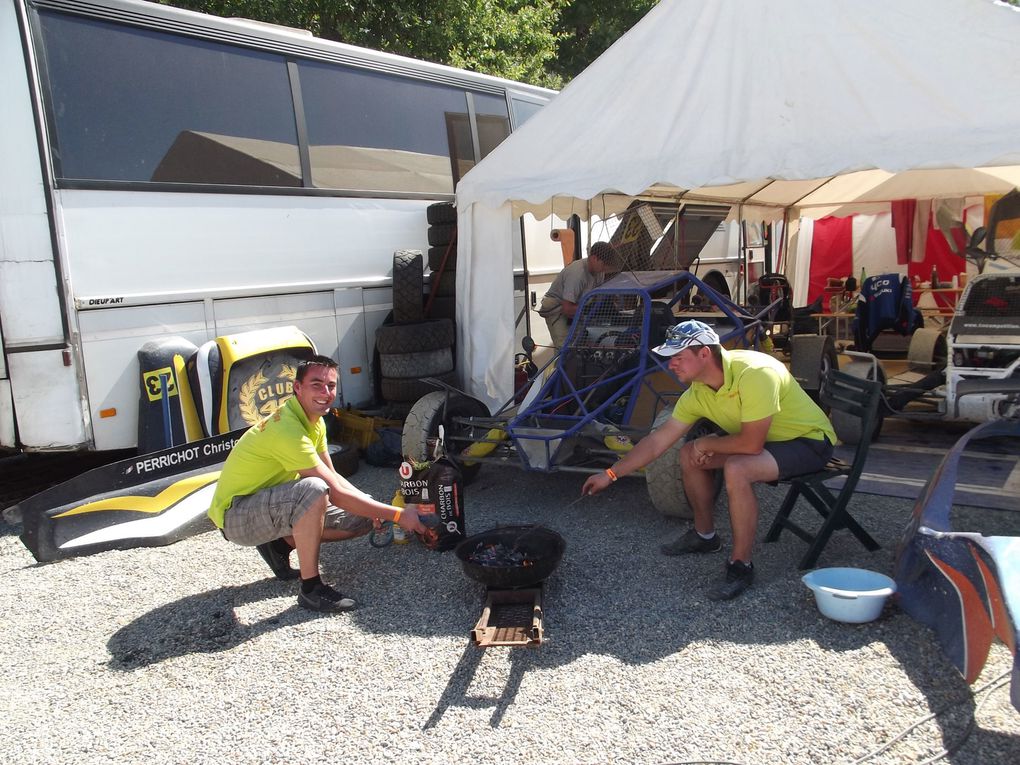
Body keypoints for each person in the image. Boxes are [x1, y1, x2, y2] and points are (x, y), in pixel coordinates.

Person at [581, 320, 836, 601]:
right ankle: (705, 536)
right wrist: (611, 474)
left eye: (677, 357)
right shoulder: (698, 392)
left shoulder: (755, 373)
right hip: (768, 443)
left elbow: (751, 445)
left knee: (736, 468)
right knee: (688, 454)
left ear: (704, 353)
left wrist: (707, 442)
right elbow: (657, 441)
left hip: (808, 441)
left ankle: (741, 566)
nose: (670, 365)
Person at [208, 355, 426, 613]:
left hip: (267, 503)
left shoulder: (315, 421)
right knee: (313, 489)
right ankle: (311, 590)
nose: (325, 392)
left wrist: (374, 508)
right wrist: (399, 515)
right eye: (316, 384)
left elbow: (333, 477)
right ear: (297, 388)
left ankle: (278, 545)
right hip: (236, 516)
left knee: (364, 516)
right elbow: (330, 491)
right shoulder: (287, 429)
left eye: (331, 386)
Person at [538, 241, 622, 348]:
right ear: (594, 258)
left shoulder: (599, 272)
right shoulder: (577, 274)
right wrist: (589, 309)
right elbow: (567, 309)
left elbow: (598, 295)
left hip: (576, 307)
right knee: (565, 347)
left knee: (580, 342)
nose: (605, 269)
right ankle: (562, 363)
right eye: (604, 264)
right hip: (557, 308)